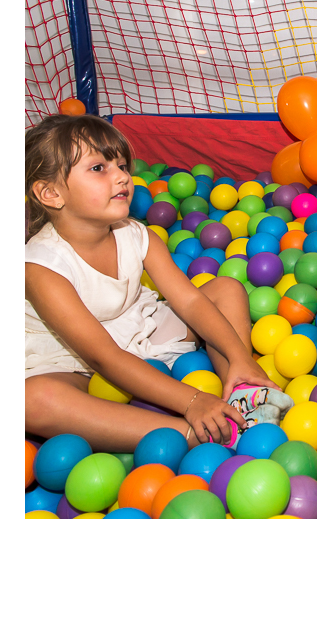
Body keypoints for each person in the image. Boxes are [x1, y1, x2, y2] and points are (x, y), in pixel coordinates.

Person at [25, 115, 292, 453]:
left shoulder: (137, 235)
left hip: (136, 327)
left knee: (225, 288)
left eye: (121, 165)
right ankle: (192, 433)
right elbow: (103, 356)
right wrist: (192, 401)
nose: (122, 176)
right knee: (33, 400)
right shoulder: (41, 266)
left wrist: (240, 356)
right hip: (71, 358)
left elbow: (191, 302)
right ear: (50, 193)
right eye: (98, 168)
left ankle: (239, 391)